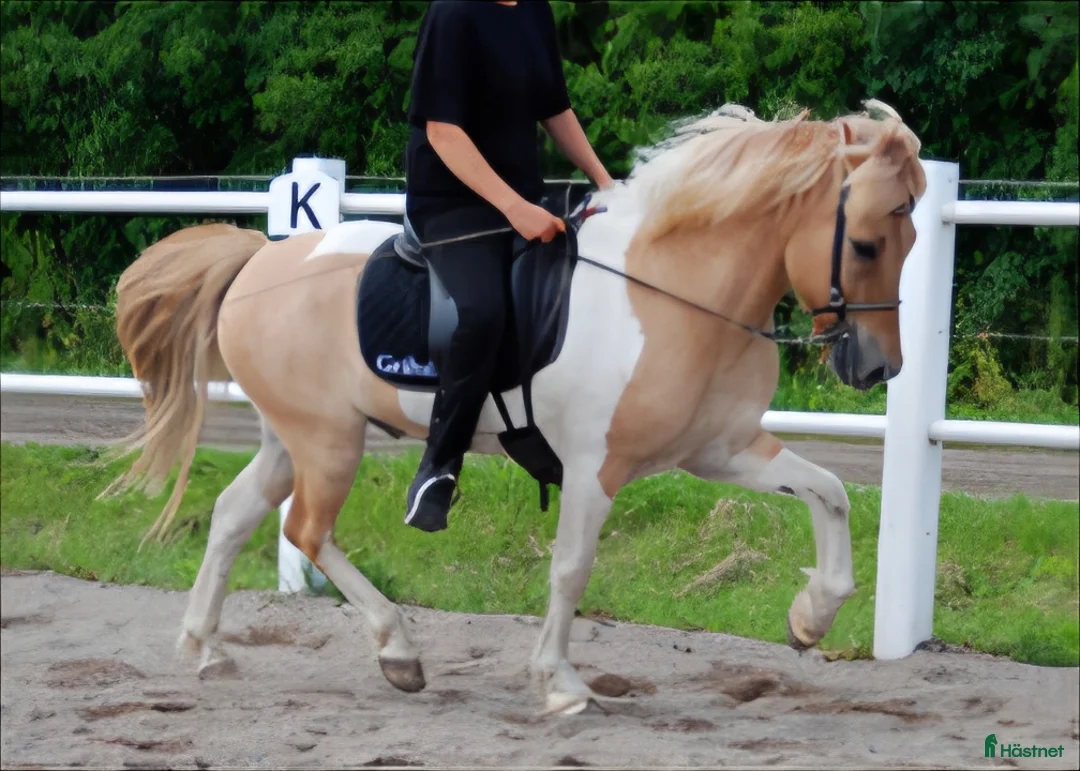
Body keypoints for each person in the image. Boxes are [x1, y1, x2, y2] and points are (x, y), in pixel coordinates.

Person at [402, 0, 614, 533]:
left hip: (525, 198)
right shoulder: (452, 14)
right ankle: (438, 467)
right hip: (454, 204)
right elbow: (442, 132)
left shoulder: (534, 11)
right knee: (483, 312)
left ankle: (542, 431)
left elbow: (555, 110)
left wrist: (610, 186)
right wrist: (516, 209)